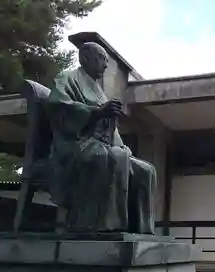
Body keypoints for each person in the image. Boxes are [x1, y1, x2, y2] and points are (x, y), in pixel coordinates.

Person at [47, 42, 157, 234]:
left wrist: (120, 142)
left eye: (107, 60)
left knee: (146, 170)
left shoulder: (99, 89)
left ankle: (140, 230)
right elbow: (59, 107)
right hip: (77, 144)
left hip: (104, 144)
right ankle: (98, 225)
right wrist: (96, 112)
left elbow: (109, 128)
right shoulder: (67, 78)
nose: (105, 65)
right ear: (86, 57)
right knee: (113, 158)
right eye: (101, 59)